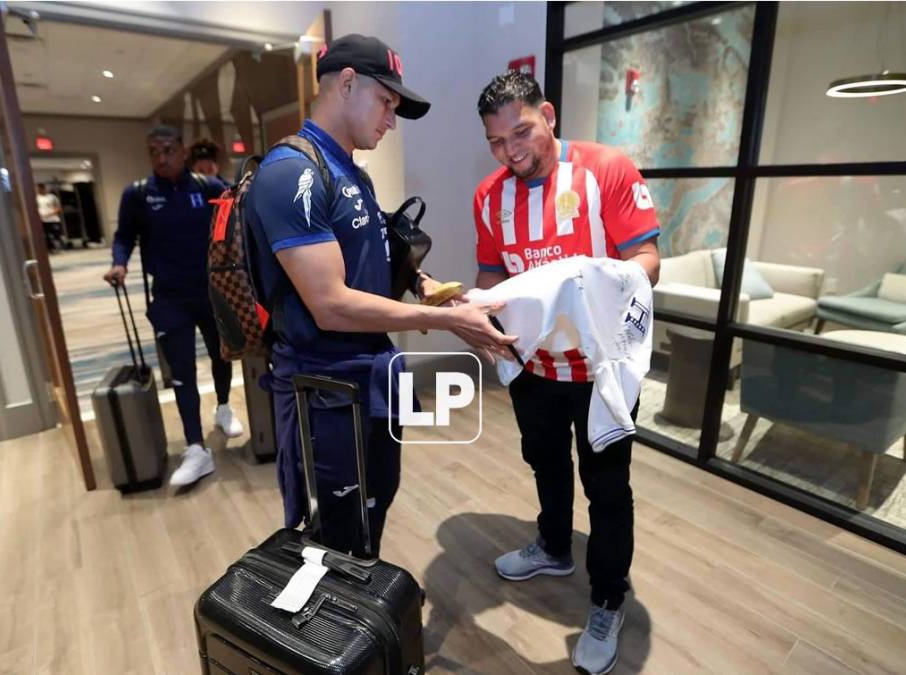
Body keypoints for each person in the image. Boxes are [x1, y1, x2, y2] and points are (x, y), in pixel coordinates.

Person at [245, 34, 517, 557]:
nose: (391, 120)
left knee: (376, 501)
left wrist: (423, 283)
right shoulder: (291, 174)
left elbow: (375, 256)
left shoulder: (352, 173)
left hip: (370, 374)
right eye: (386, 102)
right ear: (347, 84)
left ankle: (365, 608)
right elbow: (330, 303)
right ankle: (334, 628)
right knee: (336, 530)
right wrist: (447, 325)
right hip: (323, 390)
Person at [471, 70, 660, 675]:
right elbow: (489, 278)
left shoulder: (607, 169)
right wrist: (476, 314)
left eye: (521, 131)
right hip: (534, 369)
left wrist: (588, 286)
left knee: (607, 489)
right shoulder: (488, 197)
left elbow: (648, 262)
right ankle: (553, 546)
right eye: (497, 142)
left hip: (600, 372)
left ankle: (607, 598)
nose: (511, 150)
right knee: (544, 463)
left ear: (548, 114)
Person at [103, 126, 243, 488]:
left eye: (168, 150)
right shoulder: (137, 195)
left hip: (212, 291)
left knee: (221, 355)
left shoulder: (206, 187)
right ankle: (196, 448)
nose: (161, 158)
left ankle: (223, 407)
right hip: (169, 296)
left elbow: (238, 213)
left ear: (183, 151)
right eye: (154, 152)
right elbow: (124, 237)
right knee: (181, 372)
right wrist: (120, 263)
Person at [36, 182, 64, 252]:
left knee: (56, 235)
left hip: (53, 219)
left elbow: (58, 208)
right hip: (43, 220)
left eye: (39, 189)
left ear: (43, 188)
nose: (38, 191)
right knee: (46, 235)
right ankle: (51, 249)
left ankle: (60, 247)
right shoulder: (36, 198)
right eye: (37, 189)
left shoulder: (52, 197)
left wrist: (51, 213)